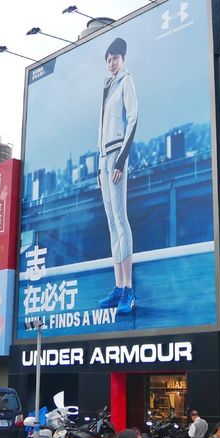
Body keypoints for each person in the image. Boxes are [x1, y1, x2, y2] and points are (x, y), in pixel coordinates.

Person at [96, 36, 139, 318]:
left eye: (115, 58)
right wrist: (99, 165)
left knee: (121, 220)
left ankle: (128, 289)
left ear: (122, 58)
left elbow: (133, 118)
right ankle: (117, 285)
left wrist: (121, 160)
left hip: (116, 157)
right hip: (103, 159)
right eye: (108, 59)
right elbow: (101, 127)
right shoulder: (107, 85)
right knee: (112, 223)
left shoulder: (126, 81)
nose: (112, 63)